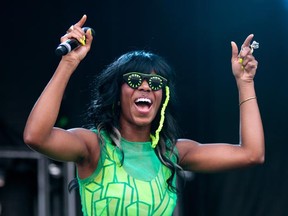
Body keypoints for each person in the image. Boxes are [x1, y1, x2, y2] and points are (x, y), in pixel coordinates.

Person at [23, 14, 265, 216]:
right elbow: (36, 136)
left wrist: (245, 82)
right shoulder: (94, 146)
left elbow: (251, 154)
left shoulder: (171, 152)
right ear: (117, 93)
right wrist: (68, 63)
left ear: (163, 97)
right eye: (135, 80)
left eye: (156, 82)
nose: (146, 87)